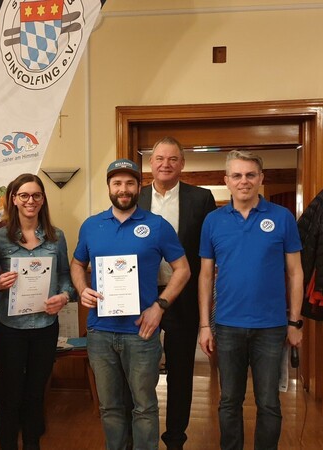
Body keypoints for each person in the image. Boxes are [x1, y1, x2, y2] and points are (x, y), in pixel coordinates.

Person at [71, 158, 190, 450]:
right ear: (109, 187)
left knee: (144, 406)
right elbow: (77, 263)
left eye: (129, 183)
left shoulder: (157, 225)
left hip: (142, 332)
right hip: (99, 331)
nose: (123, 189)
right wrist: (82, 288)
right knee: (109, 407)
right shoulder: (91, 225)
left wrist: (160, 305)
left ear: (139, 187)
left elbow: (183, 269)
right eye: (117, 183)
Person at [198, 150, 303, 450]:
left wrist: (295, 321)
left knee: (269, 402)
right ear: (226, 180)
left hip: (271, 327)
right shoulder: (213, 221)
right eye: (237, 175)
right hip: (227, 326)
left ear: (261, 179)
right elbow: (205, 276)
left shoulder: (282, 218)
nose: (244, 181)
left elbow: (296, 273)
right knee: (229, 401)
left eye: (250, 175)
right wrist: (205, 325)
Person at [0, 173, 75, 450]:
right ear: (13, 198)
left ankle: (33, 445)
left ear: (43, 199)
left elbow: (65, 277)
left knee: (36, 394)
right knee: (10, 395)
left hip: (45, 327)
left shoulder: (56, 236)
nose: (30, 201)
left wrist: (63, 296)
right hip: (10, 328)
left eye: (36, 195)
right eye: (23, 195)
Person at [138, 136, 215, 449]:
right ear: (151, 164)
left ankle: (175, 439)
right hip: (142, 295)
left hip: (182, 295)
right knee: (141, 369)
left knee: (181, 371)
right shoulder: (135, 197)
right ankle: (141, 433)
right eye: (159, 159)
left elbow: (209, 250)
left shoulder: (201, 198)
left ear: (182, 164)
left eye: (172, 159)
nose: (165, 164)